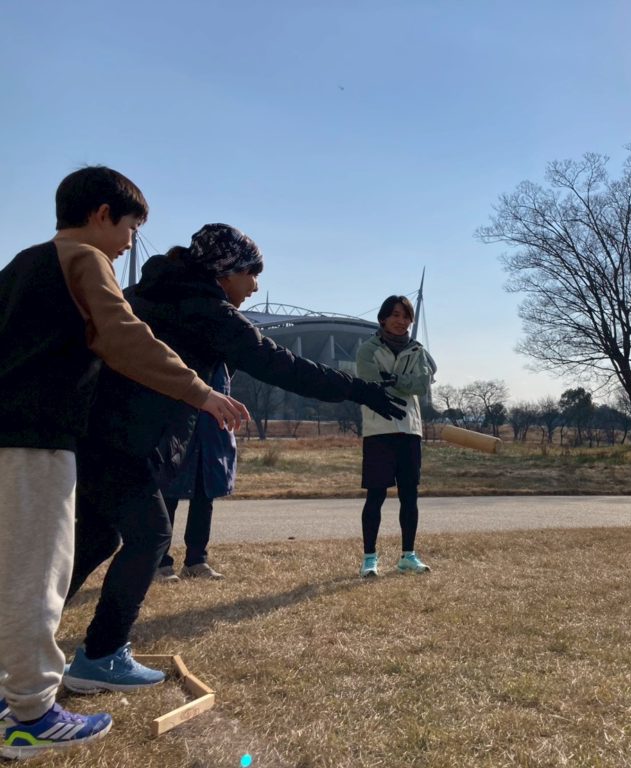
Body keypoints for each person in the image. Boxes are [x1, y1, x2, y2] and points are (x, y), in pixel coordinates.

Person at [62, 224, 405, 695]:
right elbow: (283, 365)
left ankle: (22, 635)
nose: (256, 286)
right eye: (251, 274)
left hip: (94, 431)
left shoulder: (147, 293)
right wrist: (360, 390)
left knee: (96, 538)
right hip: (131, 439)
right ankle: (100, 655)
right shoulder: (208, 311)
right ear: (225, 273)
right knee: (150, 534)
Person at [0, 167, 248, 760]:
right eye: (131, 227)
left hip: (8, 437)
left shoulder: (20, 264)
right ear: (102, 215)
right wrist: (201, 392)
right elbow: (125, 337)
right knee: (39, 574)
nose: (131, 242)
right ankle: (30, 716)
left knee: (13, 569)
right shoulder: (85, 259)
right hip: (38, 439)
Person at [356, 295, 437, 578]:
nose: (401, 321)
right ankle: (369, 558)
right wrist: (403, 381)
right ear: (383, 318)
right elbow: (370, 380)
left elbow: (422, 385)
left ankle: (408, 556)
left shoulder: (417, 350)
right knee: (376, 495)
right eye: (395, 315)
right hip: (378, 430)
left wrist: (393, 379)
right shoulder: (367, 349)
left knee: (410, 496)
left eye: (406, 316)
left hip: (410, 430)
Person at [155, 362, 236, 582]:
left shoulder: (222, 360)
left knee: (204, 495)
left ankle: (196, 560)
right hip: (177, 432)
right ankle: (159, 562)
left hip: (210, 435)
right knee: (167, 496)